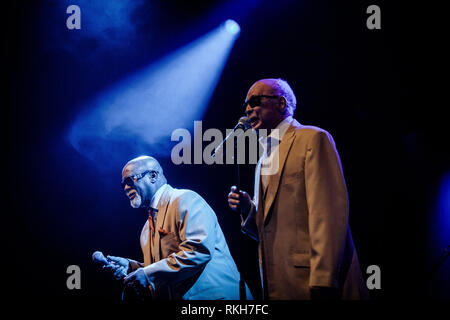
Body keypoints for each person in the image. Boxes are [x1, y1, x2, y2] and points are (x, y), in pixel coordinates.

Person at [227, 78, 369, 300]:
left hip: (313, 282)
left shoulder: (312, 138)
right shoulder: (263, 159)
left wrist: (324, 279)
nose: (247, 109)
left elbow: (329, 214)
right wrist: (248, 209)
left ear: (281, 104)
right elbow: (269, 231)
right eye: (245, 103)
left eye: (254, 101)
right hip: (278, 285)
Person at [104, 155, 252, 300]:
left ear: (153, 176)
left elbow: (199, 250)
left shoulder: (185, 199)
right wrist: (132, 268)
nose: (126, 187)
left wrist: (147, 273)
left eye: (130, 180)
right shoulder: (145, 230)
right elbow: (162, 266)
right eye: (122, 184)